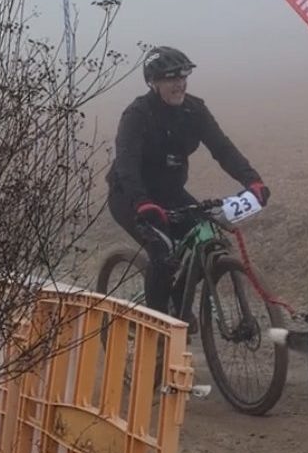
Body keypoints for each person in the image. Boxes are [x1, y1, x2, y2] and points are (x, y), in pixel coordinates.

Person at [106, 45, 269, 317]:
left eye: (183, 77)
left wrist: (253, 182)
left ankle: (179, 301)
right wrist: (141, 202)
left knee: (208, 241)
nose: (180, 84)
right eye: (171, 79)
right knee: (163, 252)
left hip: (170, 193)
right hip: (130, 195)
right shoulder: (137, 115)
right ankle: (158, 326)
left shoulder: (194, 110)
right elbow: (127, 165)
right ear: (154, 82)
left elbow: (222, 149)